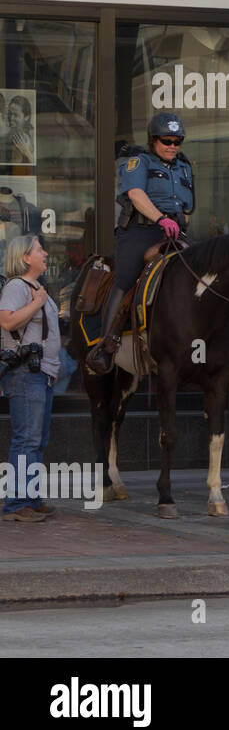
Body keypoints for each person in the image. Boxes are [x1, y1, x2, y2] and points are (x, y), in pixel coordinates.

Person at [85, 112, 194, 374]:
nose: (172, 146)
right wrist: (160, 219)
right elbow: (135, 194)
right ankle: (106, 345)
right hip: (140, 231)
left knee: (202, 275)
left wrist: (179, 222)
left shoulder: (184, 166)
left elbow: (189, 204)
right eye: (166, 141)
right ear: (153, 140)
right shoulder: (138, 162)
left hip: (175, 233)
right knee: (125, 279)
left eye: (177, 141)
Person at [0, 236, 62, 522]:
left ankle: (32, 498)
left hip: (43, 374)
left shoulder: (39, 289)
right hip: (26, 372)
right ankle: (15, 504)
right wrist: (37, 303)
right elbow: (7, 321)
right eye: (39, 249)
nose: (45, 253)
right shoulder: (17, 286)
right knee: (26, 440)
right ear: (25, 257)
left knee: (38, 440)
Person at [4, 95, 35, 165]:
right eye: (10, 114)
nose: (11, 118)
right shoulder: (11, 134)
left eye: (16, 115)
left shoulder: (21, 138)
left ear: (26, 117)